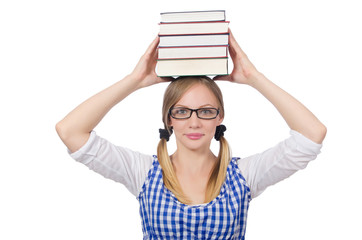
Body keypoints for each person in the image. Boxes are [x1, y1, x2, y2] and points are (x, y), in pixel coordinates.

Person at [56, 30, 327, 239]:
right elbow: (70, 131)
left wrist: (253, 76)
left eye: (206, 111)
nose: (194, 122)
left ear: (220, 117)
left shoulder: (244, 175)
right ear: (169, 119)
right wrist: (135, 80)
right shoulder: (143, 172)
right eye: (182, 111)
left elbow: (312, 135)